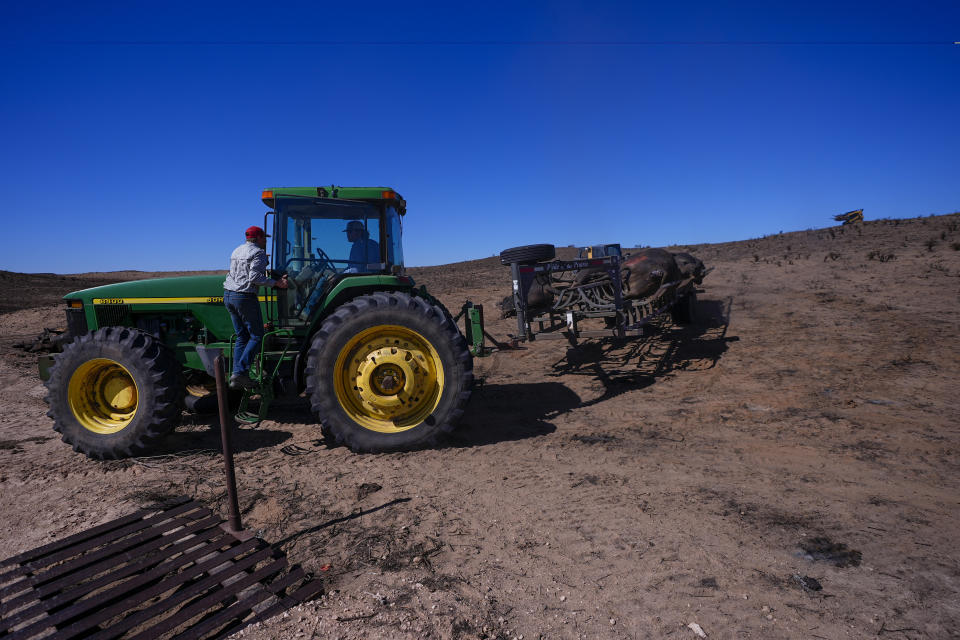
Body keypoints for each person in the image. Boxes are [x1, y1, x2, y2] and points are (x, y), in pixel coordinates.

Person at [223, 225, 288, 390]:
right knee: (257, 336)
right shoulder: (258, 252)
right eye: (264, 238)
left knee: (241, 337)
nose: (265, 240)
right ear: (258, 238)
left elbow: (242, 273)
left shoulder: (236, 250)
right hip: (244, 296)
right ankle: (240, 373)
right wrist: (277, 283)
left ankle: (236, 374)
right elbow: (254, 278)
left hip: (229, 295)